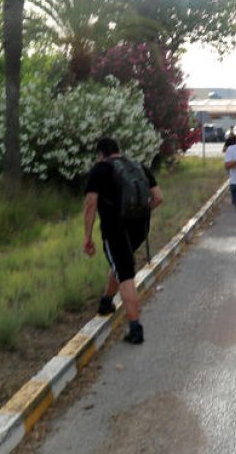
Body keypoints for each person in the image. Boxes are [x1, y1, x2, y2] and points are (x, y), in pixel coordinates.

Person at [83, 137, 163, 345]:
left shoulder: (100, 169)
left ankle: (135, 327)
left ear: (100, 153)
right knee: (120, 263)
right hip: (139, 229)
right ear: (118, 150)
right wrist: (141, 212)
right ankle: (106, 301)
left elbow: (91, 204)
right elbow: (158, 197)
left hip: (115, 229)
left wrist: (87, 237)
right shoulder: (139, 166)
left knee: (125, 272)